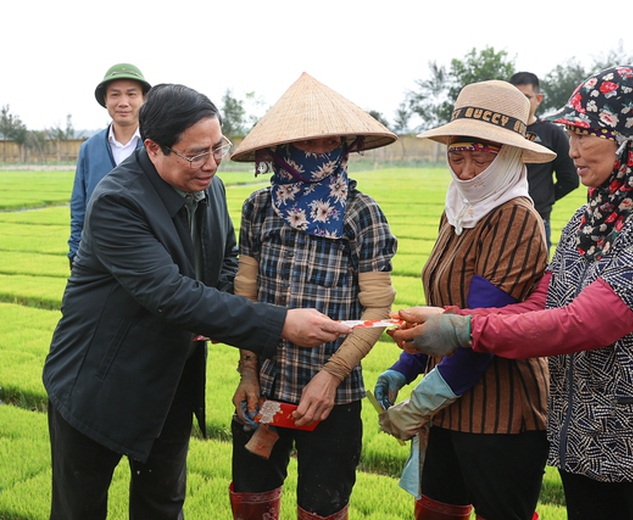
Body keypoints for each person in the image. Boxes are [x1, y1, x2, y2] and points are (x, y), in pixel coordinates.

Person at [388, 66, 633, 520]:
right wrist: (451, 318)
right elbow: (542, 303)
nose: (570, 150)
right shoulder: (586, 223)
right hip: (592, 453)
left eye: (585, 135)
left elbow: (583, 324)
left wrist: (462, 328)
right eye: (570, 134)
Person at [43, 83, 352, 520]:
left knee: (163, 505)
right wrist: (279, 321)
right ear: (153, 148)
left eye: (217, 147)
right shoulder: (118, 202)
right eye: (195, 154)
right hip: (99, 383)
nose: (211, 163)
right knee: (80, 509)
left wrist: (240, 305)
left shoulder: (211, 188)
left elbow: (224, 261)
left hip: (170, 379)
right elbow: (170, 294)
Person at [375, 79, 556, 520]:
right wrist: (405, 367)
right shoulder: (457, 209)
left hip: (501, 413)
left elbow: (480, 328)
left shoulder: (515, 218)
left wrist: (419, 404)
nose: (467, 167)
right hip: (448, 406)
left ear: (511, 155)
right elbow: (441, 312)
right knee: (437, 511)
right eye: (458, 152)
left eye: (483, 153)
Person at [227, 72, 398, 520]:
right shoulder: (258, 209)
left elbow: (377, 309)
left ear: (345, 145)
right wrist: (247, 372)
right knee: (251, 501)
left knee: (323, 508)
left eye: (329, 142)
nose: (320, 153)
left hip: (334, 398)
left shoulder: (363, 213)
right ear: (282, 149)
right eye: (308, 142)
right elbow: (245, 297)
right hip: (263, 387)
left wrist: (331, 375)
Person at [68, 63, 151, 268]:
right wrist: (75, 252)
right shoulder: (90, 148)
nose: (123, 102)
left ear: (144, 99)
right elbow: (80, 205)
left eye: (131, 94)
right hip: (97, 256)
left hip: (146, 254)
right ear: (105, 100)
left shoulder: (156, 145)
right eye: (115, 95)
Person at [509, 71, 579, 251]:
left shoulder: (551, 133)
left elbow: (570, 179)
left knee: (536, 276)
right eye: (515, 97)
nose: (520, 103)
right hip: (498, 219)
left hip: (537, 220)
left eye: (526, 97)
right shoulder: (499, 134)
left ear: (538, 98)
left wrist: (544, 199)